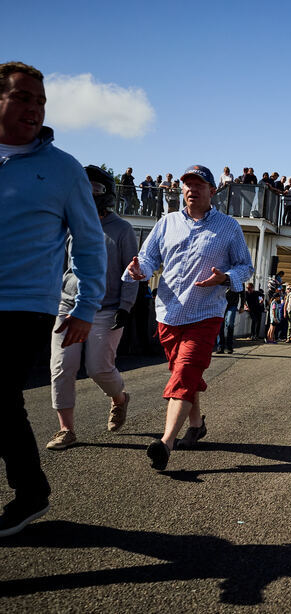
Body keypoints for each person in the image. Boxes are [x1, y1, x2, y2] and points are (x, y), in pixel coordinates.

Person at [0, 61, 107, 537]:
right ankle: (32, 491)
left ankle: (30, 492)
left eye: (39, 100)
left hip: (25, 304)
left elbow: (89, 244)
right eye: (23, 97)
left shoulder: (63, 170)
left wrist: (86, 307)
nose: (34, 108)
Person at [125, 164, 253, 471]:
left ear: (212, 190)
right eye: (187, 184)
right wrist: (139, 269)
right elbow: (148, 257)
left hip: (205, 313)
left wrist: (225, 279)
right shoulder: (166, 222)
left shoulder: (228, 226)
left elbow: (245, 267)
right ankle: (196, 426)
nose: (191, 189)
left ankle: (166, 442)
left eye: (198, 185)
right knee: (185, 374)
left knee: (183, 372)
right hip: (168, 312)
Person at [46, 165, 138, 451]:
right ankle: (66, 430)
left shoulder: (122, 230)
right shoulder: (68, 224)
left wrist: (125, 305)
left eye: (96, 188)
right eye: (85, 187)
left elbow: (133, 271)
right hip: (67, 306)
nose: (90, 193)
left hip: (107, 309)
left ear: (106, 193)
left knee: (98, 369)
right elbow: (58, 265)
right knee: (62, 367)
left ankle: (120, 399)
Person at [215, 288, 244, 354]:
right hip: (221, 303)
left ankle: (229, 347)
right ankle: (220, 346)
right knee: (220, 324)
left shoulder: (239, 278)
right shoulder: (223, 277)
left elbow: (242, 293)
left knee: (230, 323)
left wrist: (242, 306)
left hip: (232, 304)